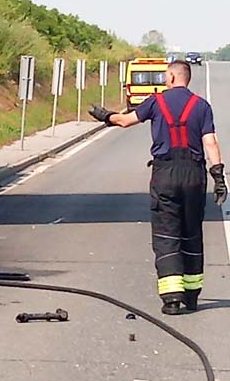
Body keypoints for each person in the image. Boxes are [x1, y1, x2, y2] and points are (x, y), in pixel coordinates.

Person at [89, 60, 227, 314]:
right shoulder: (202, 106)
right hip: (195, 175)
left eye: (166, 76)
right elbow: (211, 143)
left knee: (166, 235)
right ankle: (192, 296)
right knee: (191, 233)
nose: (165, 80)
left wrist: (105, 116)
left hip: (165, 173)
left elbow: (125, 121)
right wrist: (218, 176)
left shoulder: (157, 102)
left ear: (173, 77)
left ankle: (172, 299)